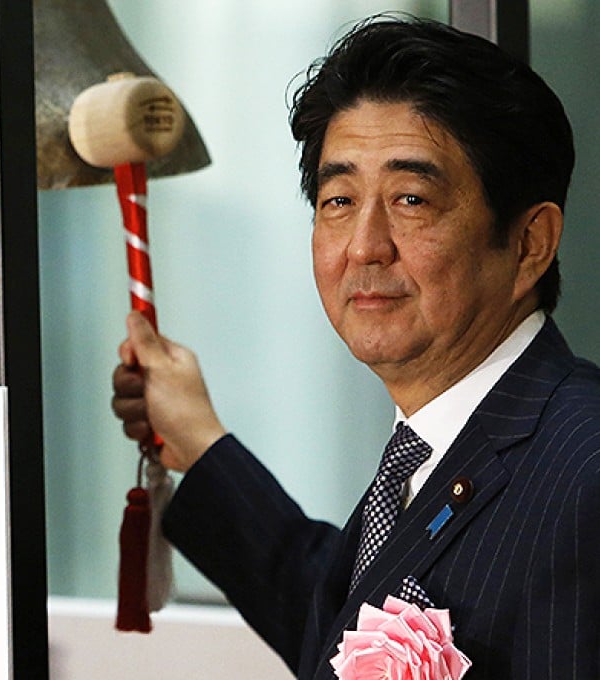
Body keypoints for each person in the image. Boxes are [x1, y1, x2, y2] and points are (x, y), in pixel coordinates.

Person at [111, 15, 600, 680]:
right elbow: (345, 631)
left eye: (410, 198)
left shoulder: (583, 472)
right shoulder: (430, 447)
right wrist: (199, 445)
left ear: (528, 243)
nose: (365, 245)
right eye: (339, 200)